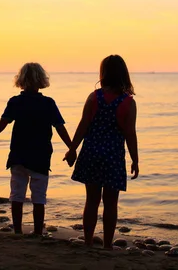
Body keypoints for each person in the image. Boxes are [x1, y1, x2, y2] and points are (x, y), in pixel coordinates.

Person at [0, 63, 72, 235]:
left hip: (18, 155)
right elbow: (60, 128)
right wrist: (72, 149)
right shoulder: (48, 103)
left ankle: (18, 231)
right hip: (40, 157)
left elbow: (2, 125)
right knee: (39, 197)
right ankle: (37, 232)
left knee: (17, 195)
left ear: (21, 81)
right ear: (42, 81)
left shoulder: (16, 102)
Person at [64, 55, 139, 249]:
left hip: (91, 153)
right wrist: (135, 160)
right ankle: (107, 245)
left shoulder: (94, 97)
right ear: (124, 74)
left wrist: (72, 149)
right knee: (111, 203)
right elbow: (130, 134)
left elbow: (83, 125)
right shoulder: (128, 102)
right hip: (113, 157)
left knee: (91, 200)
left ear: (103, 73)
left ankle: (88, 242)